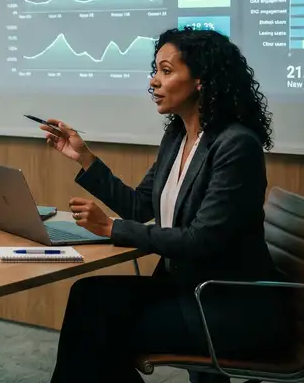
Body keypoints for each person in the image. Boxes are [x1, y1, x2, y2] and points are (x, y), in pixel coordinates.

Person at [43, 27, 290, 383]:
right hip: (184, 290)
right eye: (155, 70)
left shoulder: (236, 146)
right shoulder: (178, 135)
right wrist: (84, 158)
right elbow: (141, 204)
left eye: (166, 71)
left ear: (202, 79)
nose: (154, 81)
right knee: (86, 297)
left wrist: (112, 229)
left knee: (97, 327)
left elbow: (201, 240)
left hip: (225, 307)